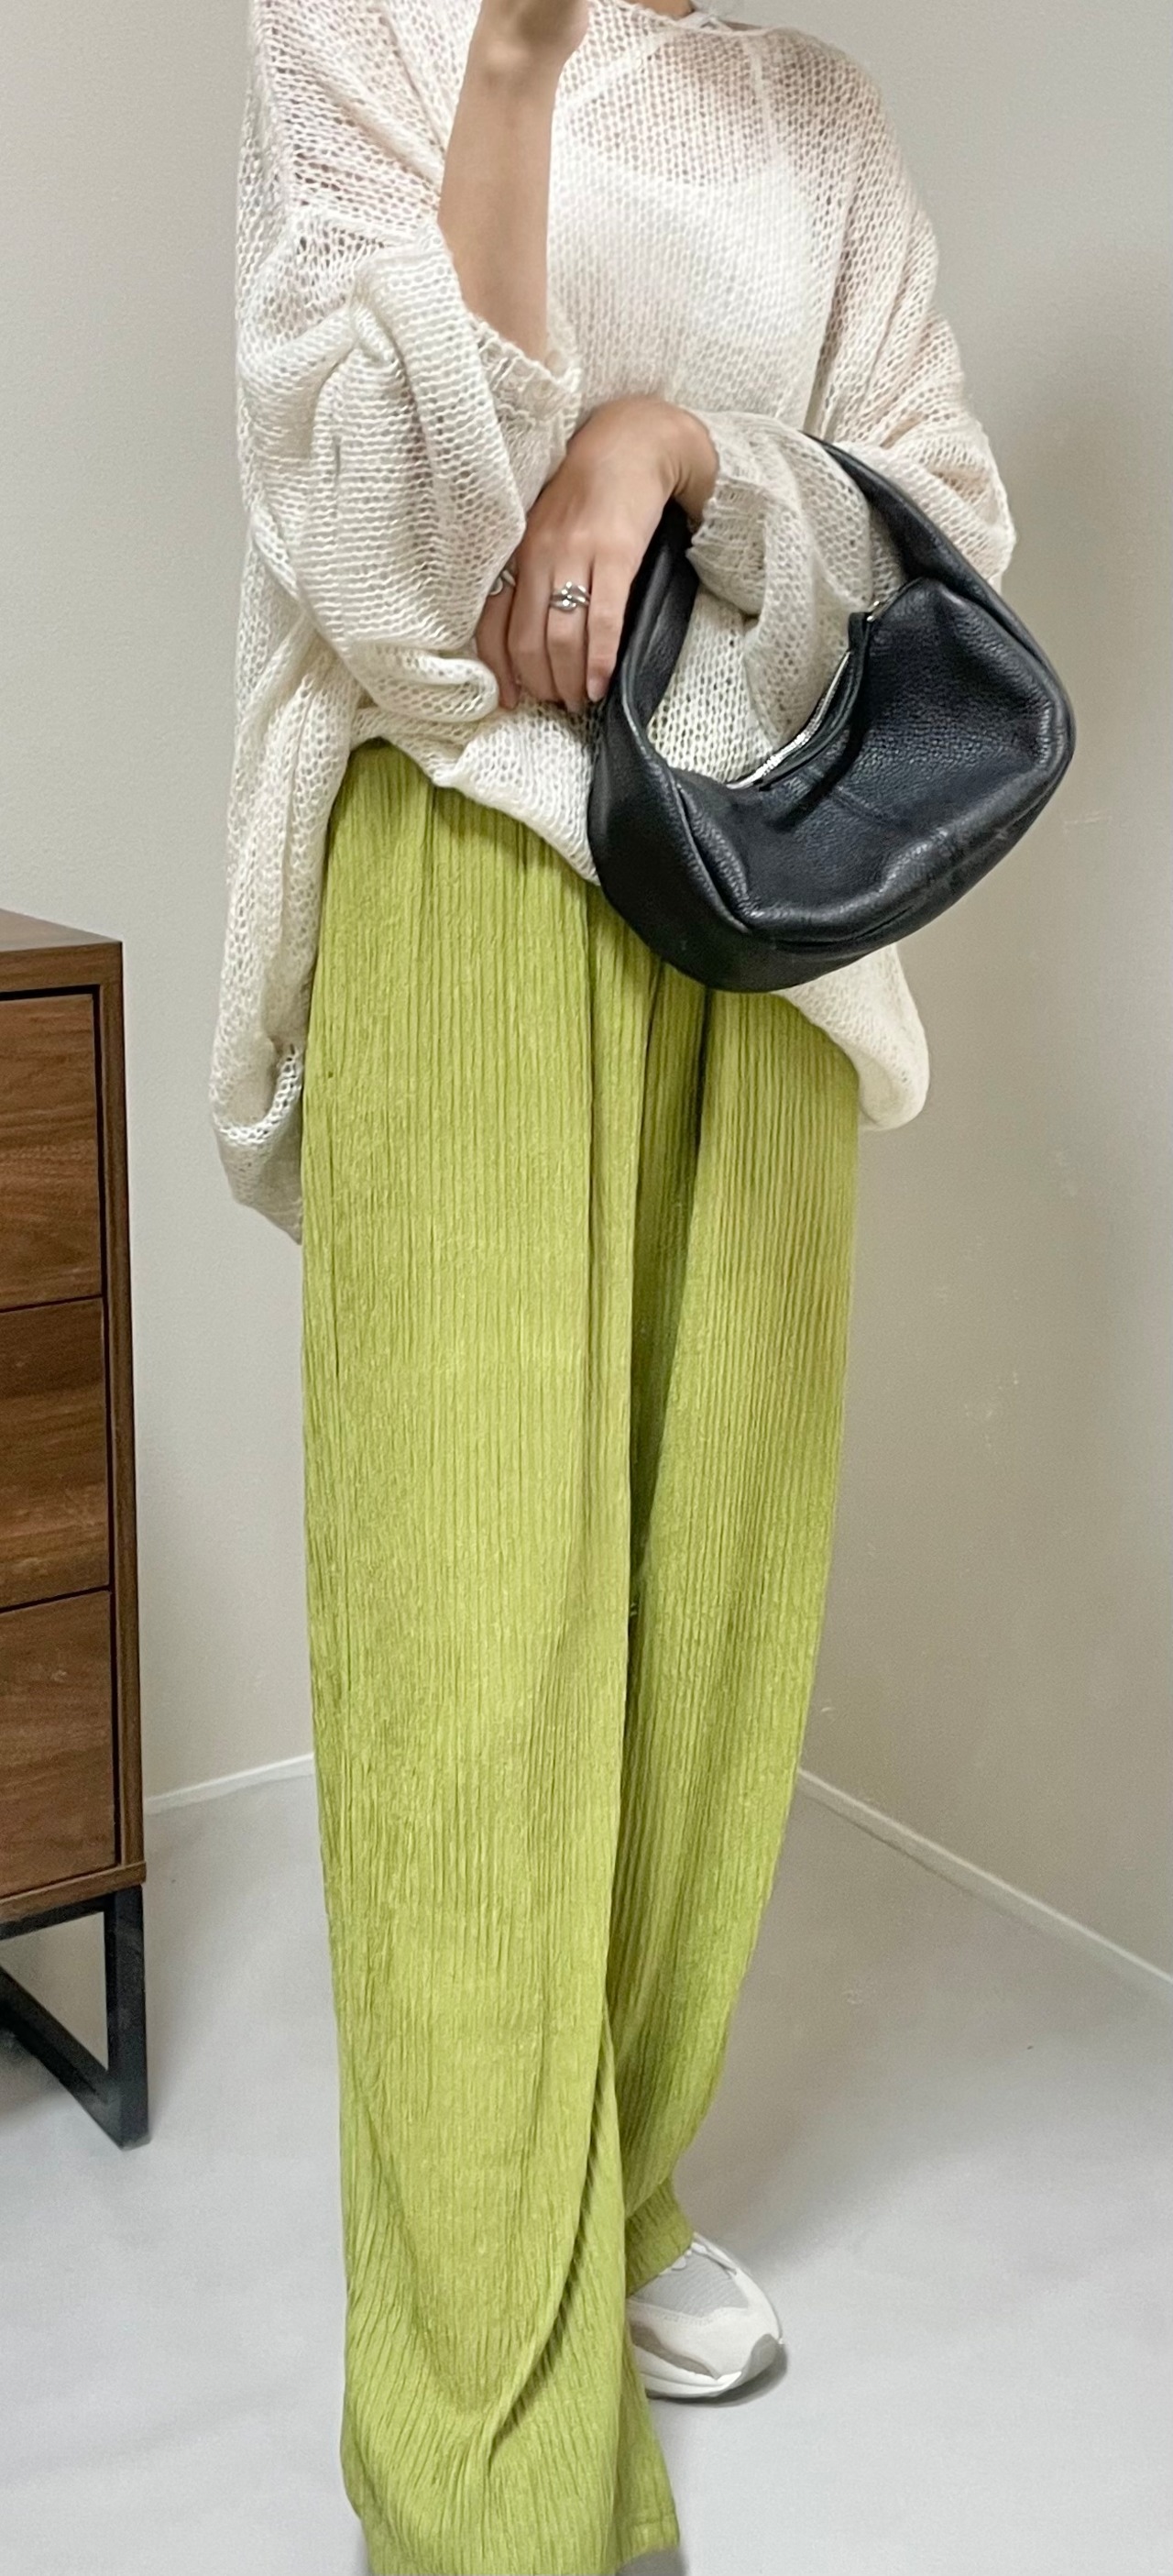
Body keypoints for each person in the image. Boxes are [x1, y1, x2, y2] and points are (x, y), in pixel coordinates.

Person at [210, 0, 1014, 2566]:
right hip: (475, 872)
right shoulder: (356, 27)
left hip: (780, 922)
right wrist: (515, 82)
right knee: (472, 1644)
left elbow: (949, 527)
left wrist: (677, 445)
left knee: (711, 1626)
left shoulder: (821, 117)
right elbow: (401, 544)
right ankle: (485, 2464)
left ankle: (611, 2180)